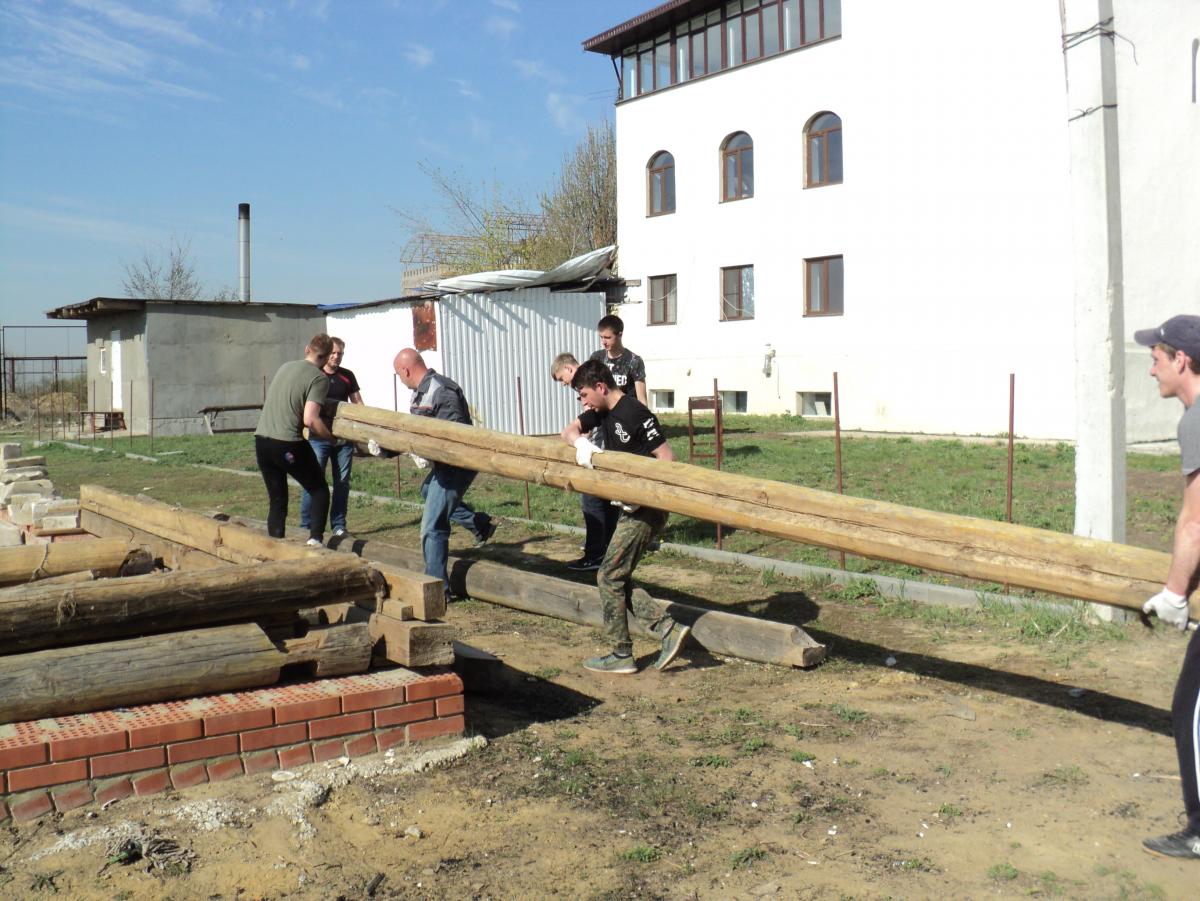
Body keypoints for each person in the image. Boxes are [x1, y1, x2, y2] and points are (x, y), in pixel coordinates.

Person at [562, 359, 690, 674]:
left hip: (645, 510)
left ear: (601, 387)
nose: (583, 401)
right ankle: (666, 631)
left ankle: (624, 653)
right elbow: (569, 430)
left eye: (584, 394)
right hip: (628, 507)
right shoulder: (602, 412)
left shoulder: (636, 413)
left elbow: (666, 458)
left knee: (608, 576)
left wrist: (641, 492)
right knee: (617, 576)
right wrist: (581, 444)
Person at [1134, 313, 1200, 861]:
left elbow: (1196, 519)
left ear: (1181, 360)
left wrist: (1175, 594)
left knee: (1191, 708)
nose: (1151, 369)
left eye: (1156, 358)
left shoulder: (1197, 419)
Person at [392, 348, 495, 595]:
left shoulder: (441, 390)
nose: (400, 379)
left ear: (405, 370)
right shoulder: (420, 393)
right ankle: (479, 524)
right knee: (427, 491)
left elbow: (455, 438)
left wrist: (426, 452)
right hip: (443, 464)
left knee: (432, 526)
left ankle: (437, 588)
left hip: (456, 465)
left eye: (399, 374)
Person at [254, 334, 334, 547]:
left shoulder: (285, 367)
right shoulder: (319, 378)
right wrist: (331, 438)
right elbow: (310, 419)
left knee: (278, 499)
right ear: (326, 358)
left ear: (307, 348)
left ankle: (275, 547)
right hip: (287, 443)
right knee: (319, 490)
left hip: (262, 440)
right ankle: (315, 541)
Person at [551, 352, 619, 571]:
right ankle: (607, 549)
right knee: (606, 501)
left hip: (604, 446)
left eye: (563, 379)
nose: (564, 385)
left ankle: (595, 553)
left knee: (591, 500)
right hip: (602, 443)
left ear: (570, 369)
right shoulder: (589, 378)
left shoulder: (588, 380)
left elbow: (594, 412)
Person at [300, 337, 363, 539]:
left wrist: (363, 429)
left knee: (342, 482)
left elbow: (358, 403)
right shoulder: (315, 375)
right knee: (314, 480)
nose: (337, 357)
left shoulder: (347, 376)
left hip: (343, 439)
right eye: (334, 353)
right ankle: (306, 524)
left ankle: (338, 525)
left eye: (340, 354)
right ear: (326, 354)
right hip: (318, 437)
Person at [590, 314, 648, 406]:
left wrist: (645, 418)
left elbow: (642, 400)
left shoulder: (634, 361)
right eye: (601, 337)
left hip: (626, 414)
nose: (603, 342)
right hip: (604, 416)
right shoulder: (596, 358)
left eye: (608, 337)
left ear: (620, 335)